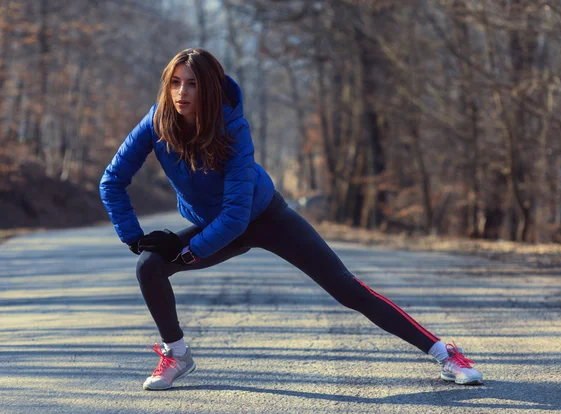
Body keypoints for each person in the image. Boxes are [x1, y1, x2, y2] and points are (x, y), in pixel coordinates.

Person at [99, 48, 483, 391]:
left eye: (193, 84)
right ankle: (177, 354)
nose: (182, 93)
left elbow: (236, 216)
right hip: (216, 222)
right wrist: (135, 239)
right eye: (176, 83)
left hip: (266, 216)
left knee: (346, 288)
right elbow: (112, 180)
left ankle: (444, 352)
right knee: (148, 266)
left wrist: (187, 254)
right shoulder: (156, 123)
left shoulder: (232, 128)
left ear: (210, 89)